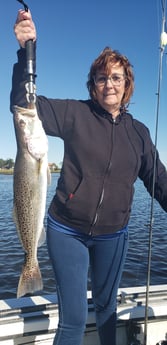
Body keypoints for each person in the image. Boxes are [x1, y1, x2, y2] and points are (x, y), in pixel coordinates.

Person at [11, 9, 167, 345]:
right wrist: (26, 51)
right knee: (75, 320)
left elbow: (158, 179)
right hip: (66, 229)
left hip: (114, 236)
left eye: (116, 77)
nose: (108, 83)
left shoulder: (138, 134)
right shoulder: (74, 114)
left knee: (108, 309)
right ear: (93, 85)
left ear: (127, 85)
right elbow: (24, 105)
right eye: (101, 78)